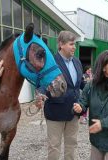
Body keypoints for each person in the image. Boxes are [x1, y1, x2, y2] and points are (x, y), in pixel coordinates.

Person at [43, 31, 84, 160]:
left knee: (72, 144)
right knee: (54, 146)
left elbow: (80, 84)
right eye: (71, 44)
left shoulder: (77, 62)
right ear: (61, 44)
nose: (74, 47)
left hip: (73, 111)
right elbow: (42, 83)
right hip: (55, 112)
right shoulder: (50, 63)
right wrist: (39, 95)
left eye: (75, 44)